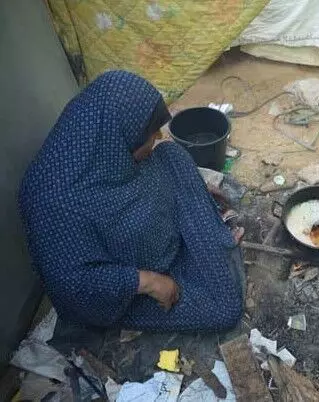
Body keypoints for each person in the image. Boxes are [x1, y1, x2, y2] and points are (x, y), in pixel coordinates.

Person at [18, 70, 245, 331]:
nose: (158, 136)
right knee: (223, 310)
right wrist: (148, 282)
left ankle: (207, 241)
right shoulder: (54, 203)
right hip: (123, 283)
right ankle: (195, 256)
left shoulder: (97, 143)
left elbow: (159, 159)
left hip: (133, 205)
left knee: (171, 154)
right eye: (150, 133)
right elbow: (72, 284)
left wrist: (196, 187)